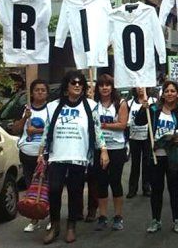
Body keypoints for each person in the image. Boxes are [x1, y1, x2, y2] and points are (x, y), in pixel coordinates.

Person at [38, 71, 109, 245]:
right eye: (73, 82)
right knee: (54, 190)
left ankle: (71, 226)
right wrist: (41, 153)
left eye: (80, 83)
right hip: (57, 155)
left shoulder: (91, 106)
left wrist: (104, 150)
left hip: (79, 155)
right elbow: (47, 130)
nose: (77, 85)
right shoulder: (53, 106)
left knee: (75, 191)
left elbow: (97, 129)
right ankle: (54, 225)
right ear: (66, 86)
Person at [137, 81, 178, 234]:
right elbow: (139, 121)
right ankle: (156, 220)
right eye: (167, 91)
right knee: (157, 190)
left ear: (177, 94)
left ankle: (177, 220)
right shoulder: (153, 109)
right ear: (163, 94)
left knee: (175, 190)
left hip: (174, 157)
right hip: (156, 156)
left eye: (173, 91)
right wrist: (143, 108)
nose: (170, 93)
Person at [93, 74, 129, 231]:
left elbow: (122, 125)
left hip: (116, 148)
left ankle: (118, 216)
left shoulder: (120, 103)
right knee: (101, 183)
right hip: (99, 148)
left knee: (115, 181)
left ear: (112, 87)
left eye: (107, 85)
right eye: (101, 85)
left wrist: (104, 125)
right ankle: (102, 216)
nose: (105, 88)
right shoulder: (93, 104)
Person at [16, 79, 50, 233]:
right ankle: (34, 218)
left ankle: (51, 217)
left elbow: (53, 129)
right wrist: (25, 118)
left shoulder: (50, 109)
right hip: (27, 154)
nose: (40, 92)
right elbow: (15, 129)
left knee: (48, 187)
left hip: (45, 154)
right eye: (37, 90)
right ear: (32, 93)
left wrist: (35, 131)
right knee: (31, 188)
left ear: (47, 93)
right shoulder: (26, 109)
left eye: (43, 90)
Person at [127, 87, 154, 198]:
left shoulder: (153, 101)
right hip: (134, 137)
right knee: (135, 164)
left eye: (142, 86)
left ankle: (146, 187)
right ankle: (132, 189)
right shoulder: (130, 103)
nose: (140, 88)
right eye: (138, 86)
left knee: (147, 163)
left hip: (147, 137)